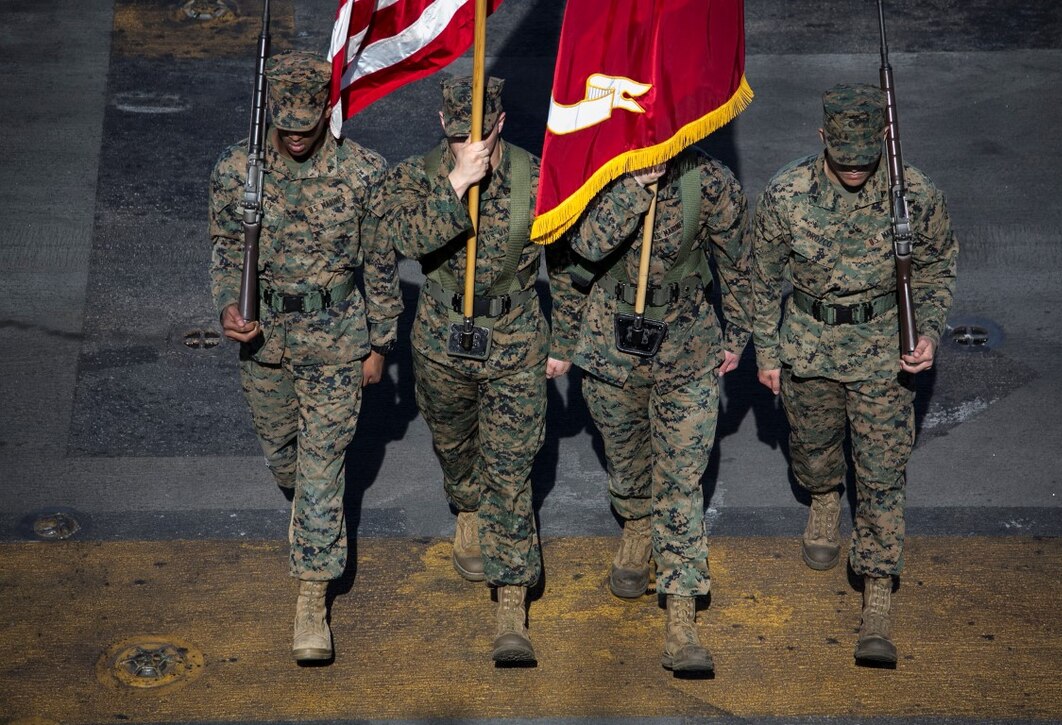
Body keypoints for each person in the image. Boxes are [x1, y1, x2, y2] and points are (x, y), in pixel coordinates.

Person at [371, 76, 579, 664]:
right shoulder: (414, 177)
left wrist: (562, 337)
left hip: (514, 337)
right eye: (461, 132)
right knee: (454, 442)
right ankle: (466, 505)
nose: (473, 141)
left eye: (482, 131)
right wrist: (458, 182)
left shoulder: (535, 176)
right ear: (442, 124)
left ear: (501, 124)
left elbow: (562, 262)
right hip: (441, 337)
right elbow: (395, 241)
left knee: (512, 471)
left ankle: (511, 604)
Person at [750, 83, 958, 664]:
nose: (854, 172)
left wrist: (929, 332)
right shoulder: (787, 193)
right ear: (822, 141)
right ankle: (822, 496)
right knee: (813, 449)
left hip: (882, 352)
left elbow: (939, 265)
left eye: (865, 161)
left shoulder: (914, 194)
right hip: (810, 346)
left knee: (884, 472)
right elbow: (762, 278)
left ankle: (877, 593)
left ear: (884, 142)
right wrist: (767, 353)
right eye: (843, 161)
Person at [208, 50, 403, 663]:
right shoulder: (239, 169)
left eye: (307, 126)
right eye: (286, 127)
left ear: (326, 113)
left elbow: (380, 263)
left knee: (322, 472)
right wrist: (227, 309)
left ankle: (311, 602)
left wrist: (379, 345)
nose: (296, 137)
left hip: (336, 338)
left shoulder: (364, 172)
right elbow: (221, 249)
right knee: (286, 462)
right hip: (265, 345)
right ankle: (311, 525)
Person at [556, 148, 752, 673]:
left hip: (687, 347)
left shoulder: (710, 181)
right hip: (608, 345)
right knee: (627, 459)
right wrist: (633, 188)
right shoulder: (595, 170)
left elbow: (737, 263)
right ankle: (636, 521)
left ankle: (681, 619)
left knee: (682, 481)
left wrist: (736, 336)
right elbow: (583, 249)